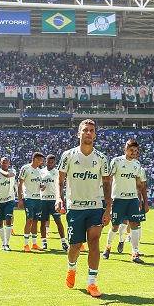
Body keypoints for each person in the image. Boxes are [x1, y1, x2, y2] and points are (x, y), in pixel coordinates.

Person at [55, 119, 111, 298]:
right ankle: (72, 268)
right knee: (76, 246)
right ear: (79, 134)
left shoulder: (102, 158)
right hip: (74, 207)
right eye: (85, 130)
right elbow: (60, 180)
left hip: (95, 206)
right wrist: (59, 197)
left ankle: (92, 283)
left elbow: (107, 183)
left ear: (95, 135)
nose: (88, 133)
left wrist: (108, 207)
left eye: (91, 130)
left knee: (94, 241)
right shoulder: (68, 156)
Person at [102, 139, 144, 264]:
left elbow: (138, 184)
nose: (133, 153)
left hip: (132, 200)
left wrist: (140, 200)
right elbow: (108, 180)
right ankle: (108, 247)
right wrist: (109, 199)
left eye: (135, 151)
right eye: (131, 150)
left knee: (135, 225)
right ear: (125, 149)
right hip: (119, 199)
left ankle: (135, 253)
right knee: (115, 226)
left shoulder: (137, 164)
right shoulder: (117, 161)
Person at [39, 154, 68, 251]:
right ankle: (44, 242)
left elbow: (60, 187)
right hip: (43, 201)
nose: (50, 163)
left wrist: (63, 201)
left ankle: (63, 242)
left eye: (52, 162)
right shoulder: (41, 172)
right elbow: (38, 185)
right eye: (48, 162)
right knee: (43, 222)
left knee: (58, 222)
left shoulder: (57, 172)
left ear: (54, 162)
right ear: (46, 161)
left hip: (54, 201)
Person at [18, 152, 45, 252]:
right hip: (28, 197)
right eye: (41, 160)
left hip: (38, 198)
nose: (42, 162)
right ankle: (26, 245)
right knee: (29, 219)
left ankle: (34, 243)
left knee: (35, 220)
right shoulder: (25, 168)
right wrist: (20, 199)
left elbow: (40, 183)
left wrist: (42, 186)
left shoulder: (39, 171)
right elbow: (20, 184)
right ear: (35, 159)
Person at [0, 157, 17, 251]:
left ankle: (7, 243)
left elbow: (7, 175)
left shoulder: (12, 171)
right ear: (0, 163)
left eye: (6, 163)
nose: (5, 164)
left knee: (8, 220)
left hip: (9, 201)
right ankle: (3, 243)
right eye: (3, 163)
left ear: (9, 163)